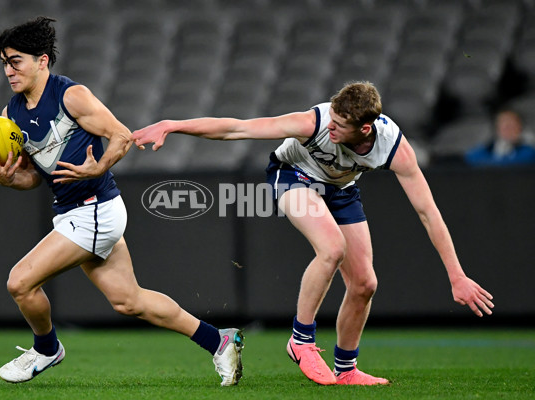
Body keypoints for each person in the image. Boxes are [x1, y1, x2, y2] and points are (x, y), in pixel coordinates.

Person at [132, 81, 494, 385]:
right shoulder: (314, 122)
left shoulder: (393, 147)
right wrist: (173, 124)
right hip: (293, 175)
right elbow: (236, 128)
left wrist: (456, 275)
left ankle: (347, 368)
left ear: (365, 129)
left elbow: (427, 212)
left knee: (365, 283)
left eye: (340, 124)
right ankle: (301, 341)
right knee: (331, 247)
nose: (331, 127)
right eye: (331, 118)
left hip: (341, 189)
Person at [0, 17, 243, 386]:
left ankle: (46, 348)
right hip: (75, 214)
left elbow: (121, 135)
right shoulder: (12, 115)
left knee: (20, 282)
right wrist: (7, 179)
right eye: (4, 62)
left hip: (96, 208)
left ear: (42, 61)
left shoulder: (71, 96)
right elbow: (34, 178)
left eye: (16, 60)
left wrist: (97, 167)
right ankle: (219, 340)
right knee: (129, 301)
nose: (8, 70)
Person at [465, 109, 535, 166]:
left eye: (512, 125)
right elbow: (471, 158)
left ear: (520, 128)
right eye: (504, 125)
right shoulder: (485, 149)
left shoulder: (529, 151)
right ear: (496, 128)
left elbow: (522, 161)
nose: (508, 129)